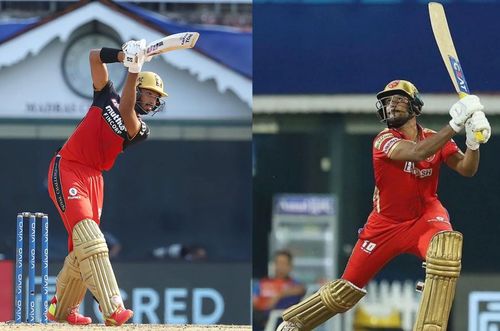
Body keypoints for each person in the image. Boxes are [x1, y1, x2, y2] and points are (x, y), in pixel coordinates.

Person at [277, 80, 491, 331]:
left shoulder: (434, 137)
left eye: (399, 99)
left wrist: (473, 141)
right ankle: (297, 322)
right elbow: (417, 153)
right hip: (385, 224)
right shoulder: (383, 140)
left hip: (426, 217)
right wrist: (455, 124)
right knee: (346, 289)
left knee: (445, 253)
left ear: (415, 106)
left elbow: (467, 169)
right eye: (388, 101)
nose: (392, 104)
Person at [46, 40, 168, 326]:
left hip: (94, 180)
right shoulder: (105, 94)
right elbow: (93, 57)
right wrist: (123, 56)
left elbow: (126, 112)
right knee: (91, 238)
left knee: (83, 250)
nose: (152, 101)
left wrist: (135, 69)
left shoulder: (141, 129)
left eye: (156, 98)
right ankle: (112, 307)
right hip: (68, 167)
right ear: (138, 89)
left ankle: (60, 310)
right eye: (149, 94)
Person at [254, 250, 306, 331]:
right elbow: (254, 300)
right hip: (259, 319)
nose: (280, 266)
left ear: (290, 266)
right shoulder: (263, 282)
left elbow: (301, 289)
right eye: (278, 263)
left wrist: (279, 295)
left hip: (281, 323)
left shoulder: (293, 284)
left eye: (283, 263)